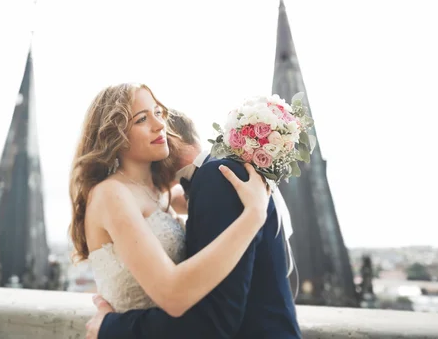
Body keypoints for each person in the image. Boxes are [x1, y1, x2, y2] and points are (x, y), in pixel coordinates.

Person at [85, 107, 302, 338]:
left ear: (169, 141)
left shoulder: (218, 177)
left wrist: (110, 328)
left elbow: (214, 317)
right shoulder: (217, 174)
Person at [69, 83, 270, 318]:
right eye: (141, 119)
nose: (159, 125)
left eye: (157, 113)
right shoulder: (111, 194)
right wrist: (255, 216)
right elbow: (172, 295)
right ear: (114, 135)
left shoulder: (160, 193)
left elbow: (207, 201)